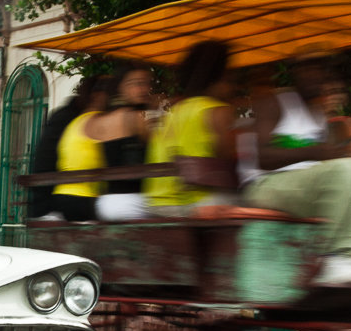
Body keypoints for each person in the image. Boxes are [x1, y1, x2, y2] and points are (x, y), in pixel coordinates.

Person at [242, 52, 351, 284]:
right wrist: (313, 151)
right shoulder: (275, 102)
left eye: (321, 70)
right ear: (294, 72)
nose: (316, 76)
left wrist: (339, 153)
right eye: (308, 68)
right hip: (267, 187)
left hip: (307, 192)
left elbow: (330, 168)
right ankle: (328, 258)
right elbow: (262, 158)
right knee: (349, 169)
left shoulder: (321, 115)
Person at [143, 41, 239, 215]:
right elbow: (227, 160)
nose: (233, 87)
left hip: (156, 205)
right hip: (196, 205)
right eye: (229, 79)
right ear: (218, 78)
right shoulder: (218, 111)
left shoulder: (171, 111)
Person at [51, 64, 153, 221]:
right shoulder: (133, 117)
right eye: (136, 83)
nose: (144, 89)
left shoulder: (79, 122)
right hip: (98, 200)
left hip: (71, 198)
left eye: (147, 83)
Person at [29, 75, 109, 219]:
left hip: (57, 197)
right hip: (53, 202)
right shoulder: (75, 119)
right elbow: (46, 160)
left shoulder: (71, 116)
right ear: (96, 96)